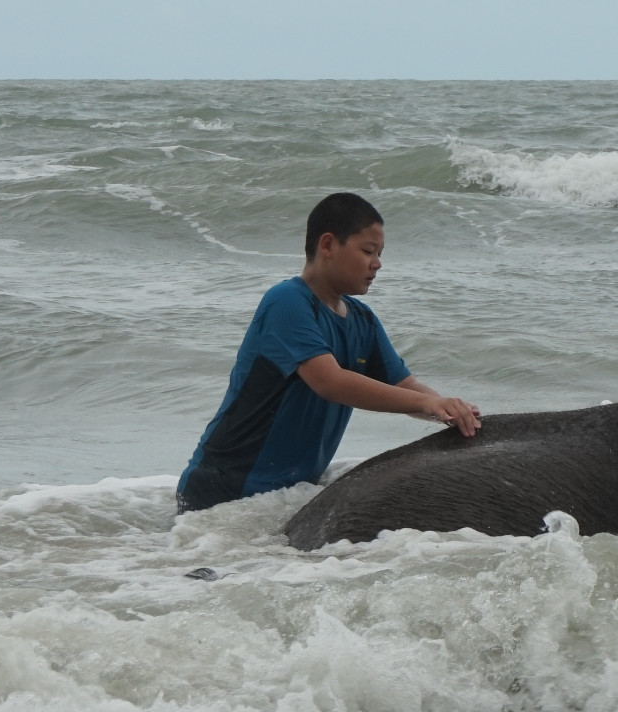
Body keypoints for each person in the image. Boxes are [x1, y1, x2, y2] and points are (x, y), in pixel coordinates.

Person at [177, 192, 481, 512]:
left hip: (284, 498)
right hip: (223, 490)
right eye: (367, 251)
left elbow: (403, 385)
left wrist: (445, 409)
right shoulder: (287, 301)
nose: (377, 264)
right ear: (328, 245)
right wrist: (428, 402)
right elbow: (330, 382)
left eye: (380, 253)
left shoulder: (362, 320)